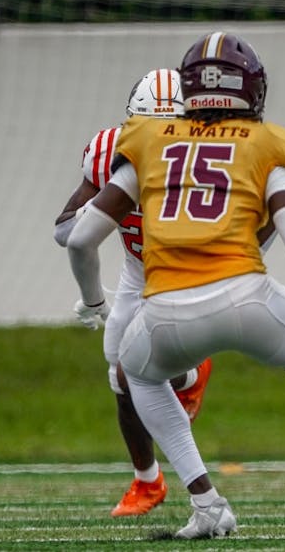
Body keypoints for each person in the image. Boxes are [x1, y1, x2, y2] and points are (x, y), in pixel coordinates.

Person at [66, 31, 285, 539]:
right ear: (251, 91)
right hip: (245, 293)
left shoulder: (147, 139)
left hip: (164, 306)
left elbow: (80, 237)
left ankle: (206, 502)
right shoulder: (269, 142)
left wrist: (92, 301)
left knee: (136, 374)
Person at [53, 68, 213, 518]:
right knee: (118, 369)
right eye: (147, 129)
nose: (158, 140)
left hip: (192, 270)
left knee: (136, 368)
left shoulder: (214, 152)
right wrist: (105, 203)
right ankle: (148, 481)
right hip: (139, 269)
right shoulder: (108, 154)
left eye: (170, 129)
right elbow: (67, 231)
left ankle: (190, 380)